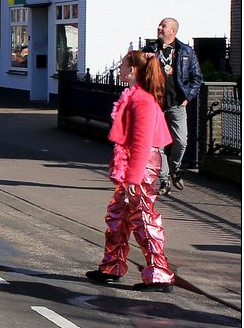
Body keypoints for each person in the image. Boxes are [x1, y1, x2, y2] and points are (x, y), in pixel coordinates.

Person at [87, 51, 176, 292]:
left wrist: (133, 178)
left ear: (133, 70)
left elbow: (142, 143)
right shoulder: (134, 96)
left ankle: (159, 274)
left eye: (123, 65)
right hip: (136, 164)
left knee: (143, 217)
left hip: (142, 166)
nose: (120, 69)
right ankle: (112, 266)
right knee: (118, 215)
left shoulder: (142, 100)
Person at [150, 18, 203, 194]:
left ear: (173, 31)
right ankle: (164, 181)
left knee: (181, 141)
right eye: (159, 25)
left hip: (177, 104)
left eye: (163, 26)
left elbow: (197, 77)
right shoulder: (150, 50)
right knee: (158, 144)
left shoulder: (186, 51)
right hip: (156, 105)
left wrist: (188, 97)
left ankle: (175, 169)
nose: (159, 28)